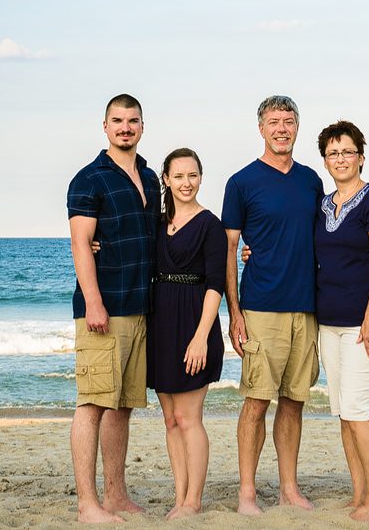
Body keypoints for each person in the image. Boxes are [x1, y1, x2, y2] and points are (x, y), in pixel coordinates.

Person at [221, 95, 323, 515]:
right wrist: (235, 313)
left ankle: (288, 488)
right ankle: (247, 492)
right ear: (260, 128)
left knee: (295, 400)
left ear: (298, 127)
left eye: (289, 121)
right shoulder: (242, 182)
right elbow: (230, 248)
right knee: (257, 401)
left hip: (308, 307)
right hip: (262, 307)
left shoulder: (312, 180)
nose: (282, 129)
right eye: (273, 122)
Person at [67, 94, 161, 523]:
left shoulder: (149, 176)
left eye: (133, 121)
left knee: (122, 406)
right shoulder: (89, 179)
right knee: (93, 404)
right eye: (118, 121)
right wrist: (94, 303)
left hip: (140, 307)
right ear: (104, 126)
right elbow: (81, 245)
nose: (126, 127)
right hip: (103, 311)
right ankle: (88, 504)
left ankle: (117, 496)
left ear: (143, 126)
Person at [313, 119, 369, 523]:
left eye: (347, 151)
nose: (340, 158)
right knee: (343, 414)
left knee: (358, 412)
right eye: (333, 153)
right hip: (329, 324)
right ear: (325, 160)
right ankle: (359, 494)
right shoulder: (321, 205)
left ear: (361, 157)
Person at [148, 147, 227, 520]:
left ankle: (194, 501)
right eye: (178, 176)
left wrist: (201, 336)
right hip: (161, 323)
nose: (186, 183)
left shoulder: (211, 224)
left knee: (190, 418)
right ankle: (179, 497)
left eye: (192, 175)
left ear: (201, 178)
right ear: (166, 179)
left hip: (196, 323)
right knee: (170, 420)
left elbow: (216, 284)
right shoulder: (157, 221)